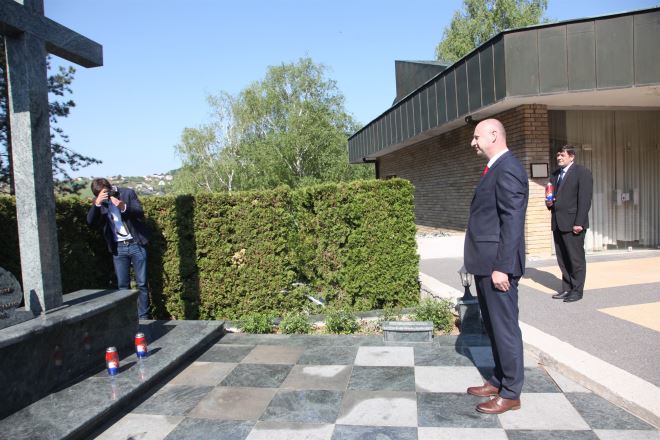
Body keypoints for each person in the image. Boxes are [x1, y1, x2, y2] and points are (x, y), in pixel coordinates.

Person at [463, 119, 528, 415]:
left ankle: (511, 393)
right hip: (486, 264)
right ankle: (500, 380)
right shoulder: (495, 168)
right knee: (493, 327)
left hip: (497, 267)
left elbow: (512, 221)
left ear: (493, 135)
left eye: (476, 137)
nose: (473, 143)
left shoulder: (508, 168)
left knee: (504, 329)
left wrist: (503, 267)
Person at [87, 178, 151, 319]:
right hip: (118, 248)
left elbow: (139, 212)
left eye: (106, 192)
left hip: (136, 243)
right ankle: (127, 318)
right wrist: (97, 204)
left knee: (142, 284)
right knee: (123, 286)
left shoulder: (127, 193)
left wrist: (123, 206)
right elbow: (90, 222)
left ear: (110, 188)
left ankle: (144, 317)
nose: (106, 195)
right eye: (101, 194)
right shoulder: (100, 203)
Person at [546, 146, 593, 303]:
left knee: (575, 259)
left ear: (572, 156)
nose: (559, 158)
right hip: (558, 223)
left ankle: (577, 290)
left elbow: (585, 200)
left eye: (562, 155)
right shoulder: (555, 174)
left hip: (573, 224)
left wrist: (579, 222)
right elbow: (552, 196)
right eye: (557, 155)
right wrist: (549, 203)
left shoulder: (582, 172)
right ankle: (567, 288)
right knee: (563, 258)